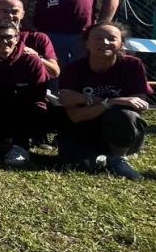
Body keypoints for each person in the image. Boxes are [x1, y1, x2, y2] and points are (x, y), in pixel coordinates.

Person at [57, 22, 151, 180]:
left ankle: (118, 158)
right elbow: (74, 115)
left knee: (126, 114)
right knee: (80, 166)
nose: (105, 42)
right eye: (98, 38)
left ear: (121, 43)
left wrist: (89, 101)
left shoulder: (133, 65)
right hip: (82, 128)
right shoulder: (73, 69)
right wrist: (109, 102)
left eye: (111, 38)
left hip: (119, 126)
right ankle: (101, 158)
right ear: (87, 43)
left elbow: (138, 104)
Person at [0, 21, 50, 167]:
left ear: (17, 38)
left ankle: (20, 147)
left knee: (22, 107)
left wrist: (0, 96)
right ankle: (4, 144)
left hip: (27, 109)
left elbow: (37, 93)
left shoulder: (31, 59)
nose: (4, 41)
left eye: (9, 37)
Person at [0, 0, 60, 79]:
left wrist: (37, 58)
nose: (10, 15)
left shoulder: (38, 38)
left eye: (15, 12)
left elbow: (55, 73)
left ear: (22, 14)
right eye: (5, 11)